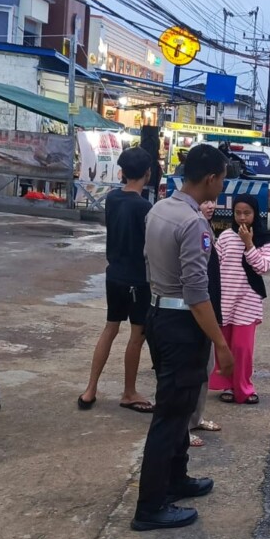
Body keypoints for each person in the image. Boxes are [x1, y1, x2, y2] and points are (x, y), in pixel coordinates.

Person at [133, 144, 235, 532]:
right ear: (210, 179)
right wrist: (221, 345)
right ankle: (150, 505)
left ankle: (176, 479)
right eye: (222, 177)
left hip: (159, 316)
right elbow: (196, 292)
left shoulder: (161, 208)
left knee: (176, 407)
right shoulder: (192, 223)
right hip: (181, 326)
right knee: (171, 416)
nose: (223, 184)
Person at [78, 146, 156, 414]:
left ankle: (90, 389)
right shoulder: (146, 208)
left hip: (115, 275)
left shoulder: (112, 199)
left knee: (110, 329)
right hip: (138, 279)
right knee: (137, 335)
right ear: (148, 173)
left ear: (122, 172)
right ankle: (129, 392)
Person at [209, 193, 270, 405]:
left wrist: (249, 245)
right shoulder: (226, 236)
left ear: (255, 214)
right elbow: (215, 266)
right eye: (238, 213)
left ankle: (244, 388)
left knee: (242, 348)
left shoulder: (265, 239)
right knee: (225, 346)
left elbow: (263, 267)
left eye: (247, 213)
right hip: (225, 299)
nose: (242, 218)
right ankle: (227, 385)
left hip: (247, 300)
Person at [188, 199, 225, 447]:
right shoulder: (192, 227)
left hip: (211, 307)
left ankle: (196, 417)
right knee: (189, 373)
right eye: (205, 202)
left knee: (205, 368)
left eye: (213, 203)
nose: (211, 206)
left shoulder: (209, 229)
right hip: (194, 311)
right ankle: (183, 427)